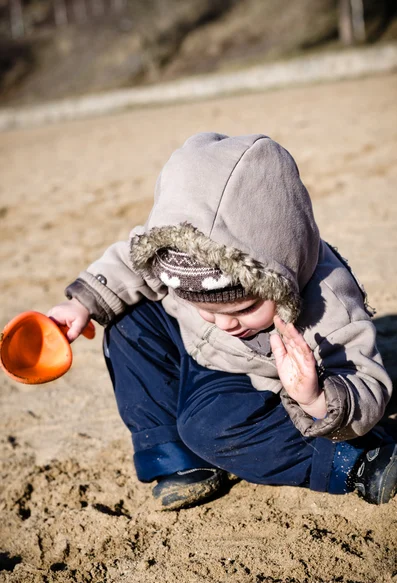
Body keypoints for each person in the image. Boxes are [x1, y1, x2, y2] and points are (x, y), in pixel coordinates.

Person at [48, 133, 396, 510]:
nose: (224, 323)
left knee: (208, 428)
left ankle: (357, 461)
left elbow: (366, 382)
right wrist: (82, 304)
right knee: (126, 318)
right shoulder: (178, 257)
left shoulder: (328, 303)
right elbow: (130, 262)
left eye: (243, 310)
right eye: (207, 309)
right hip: (193, 346)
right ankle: (176, 457)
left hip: (251, 384)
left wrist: (313, 397)